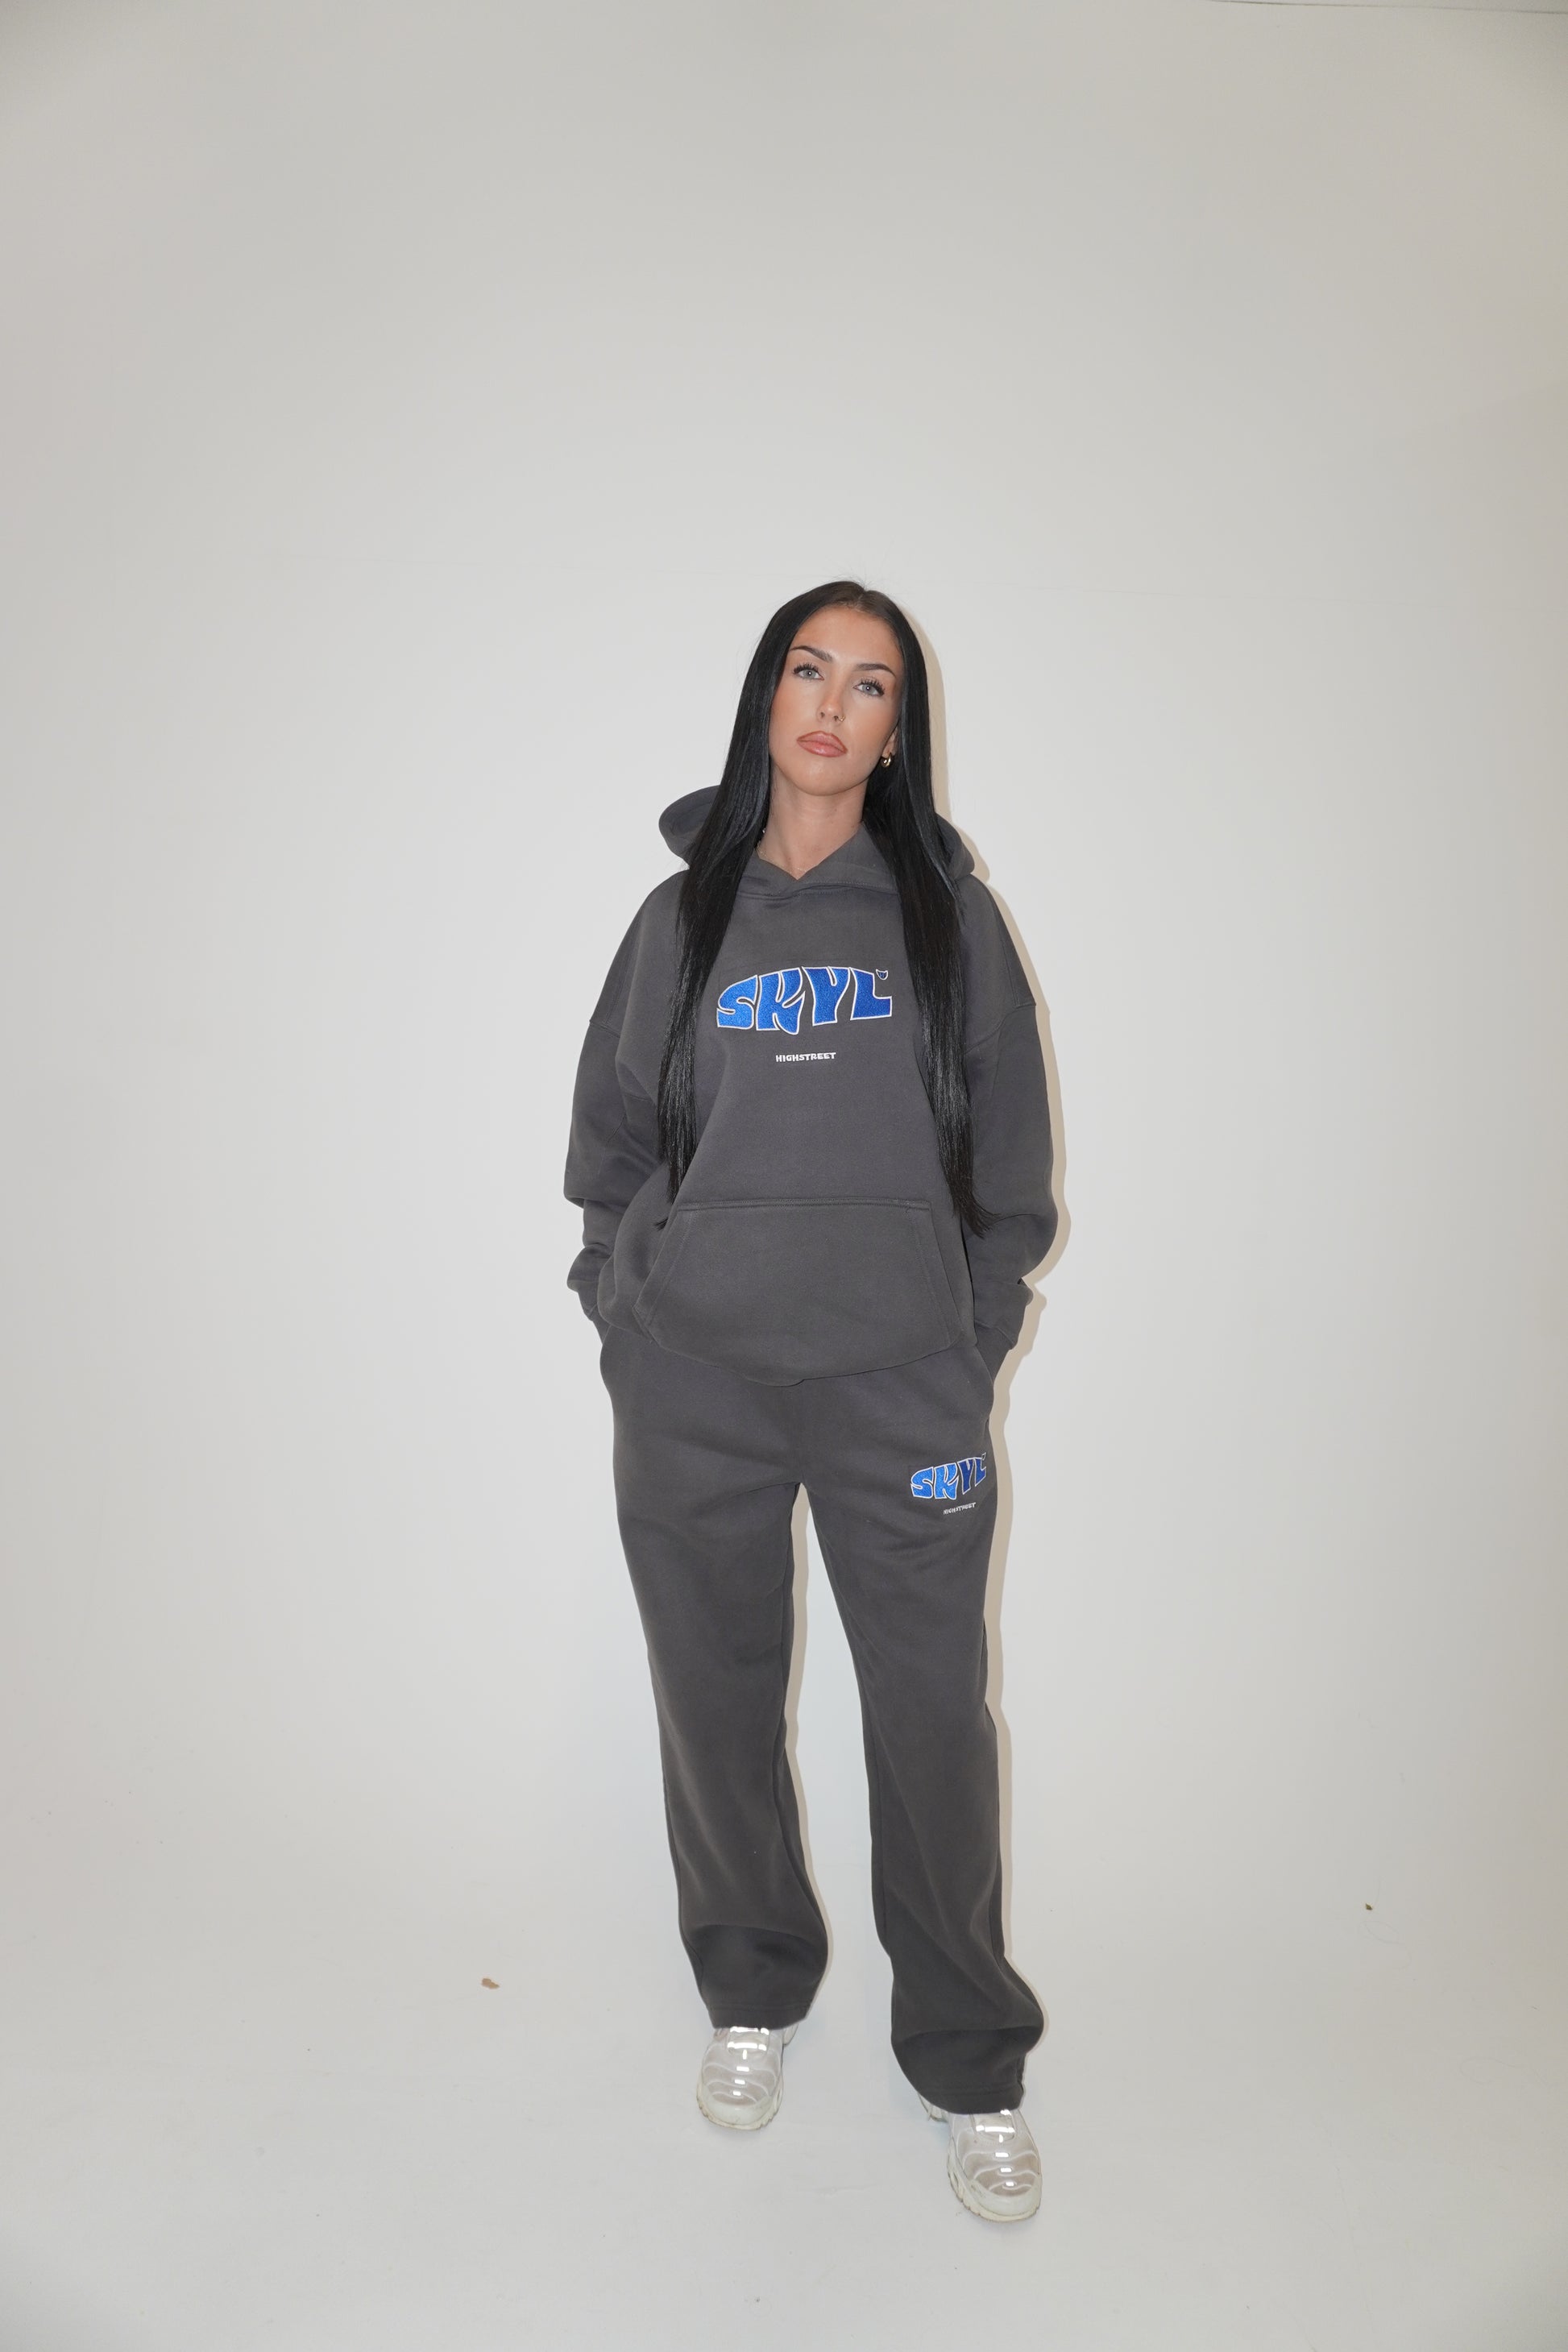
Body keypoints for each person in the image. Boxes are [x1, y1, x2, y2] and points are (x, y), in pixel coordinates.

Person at [563, 580, 1057, 2221]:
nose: (832, 705)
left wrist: (965, 1338)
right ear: (765, 698)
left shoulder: (947, 923)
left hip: (898, 1391)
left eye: (870, 684)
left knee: (930, 1723)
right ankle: (751, 1985)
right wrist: (626, 1309)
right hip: (696, 1385)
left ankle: (970, 2060)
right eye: (806, 670)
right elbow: (609, 1149)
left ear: (900, 732)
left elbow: (1010, 1168)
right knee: (714, 1701)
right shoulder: (678, 921)